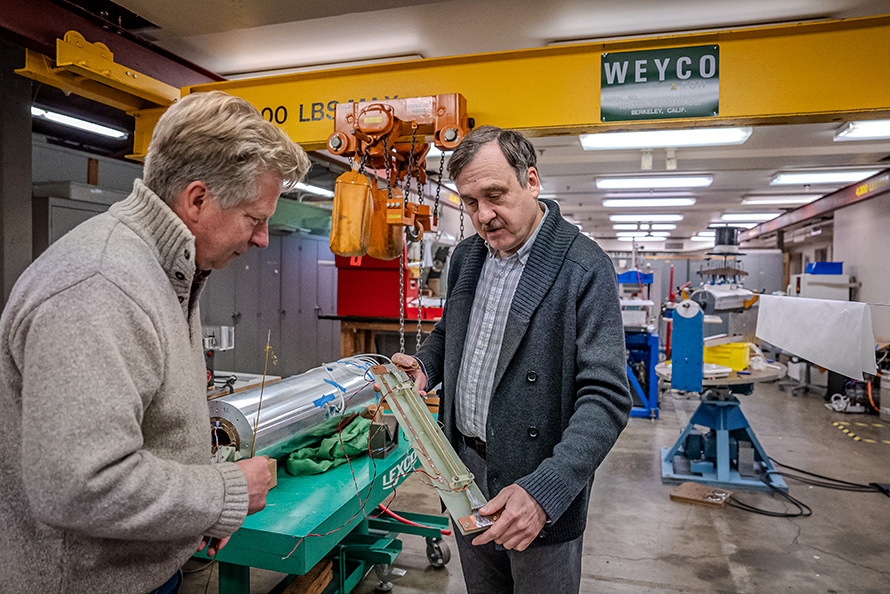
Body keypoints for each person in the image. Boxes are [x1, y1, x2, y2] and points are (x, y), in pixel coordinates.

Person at [0, 90, 311, 594]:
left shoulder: (168, 271)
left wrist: (194, 519)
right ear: (197, 200)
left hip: (140, 568)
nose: (263, 239)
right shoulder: (101, 284)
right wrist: (224, 492)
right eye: (255, 219)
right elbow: (78, 487)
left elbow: (150, 433)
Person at [392, 126, 632, 594]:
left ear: (533, 181)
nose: (484, 215)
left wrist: (547, 491)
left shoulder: (584, 268)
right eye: (469, 202)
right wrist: (425, 367)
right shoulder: (467, 257)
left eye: (495, 195)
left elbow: (605, 398)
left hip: (536, 484)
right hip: (465, 475)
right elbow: (449, 333)